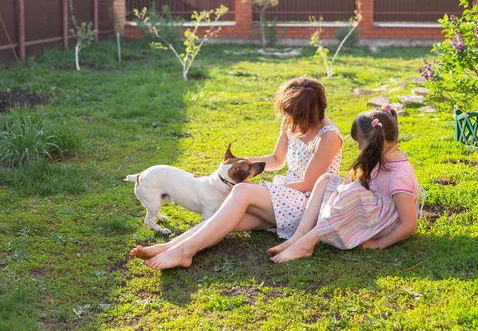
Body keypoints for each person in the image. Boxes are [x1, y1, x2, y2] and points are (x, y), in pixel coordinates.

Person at [130, 76, 343, 269]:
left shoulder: (328, 137)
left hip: (308, 204)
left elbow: (308, 185)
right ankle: (171, 247)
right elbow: (278, 160)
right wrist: (248, 162)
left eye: (293, 117)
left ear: (307, 114)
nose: (288, 122)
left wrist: (264, 189)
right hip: (285, 200)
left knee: (241, 192)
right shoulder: (291, 122)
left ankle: (183, 252)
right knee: (225, 220)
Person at [268, 105, 421, 263]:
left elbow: (409, 224)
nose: (358, 147)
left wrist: (378, 244)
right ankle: (300, 235)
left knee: (352, 193)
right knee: (326, 179)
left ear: (376, 143)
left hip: (385, 224)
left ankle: (307, 244)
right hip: (373, 210)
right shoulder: (383, 157)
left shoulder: (398, 176)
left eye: (360, 142)